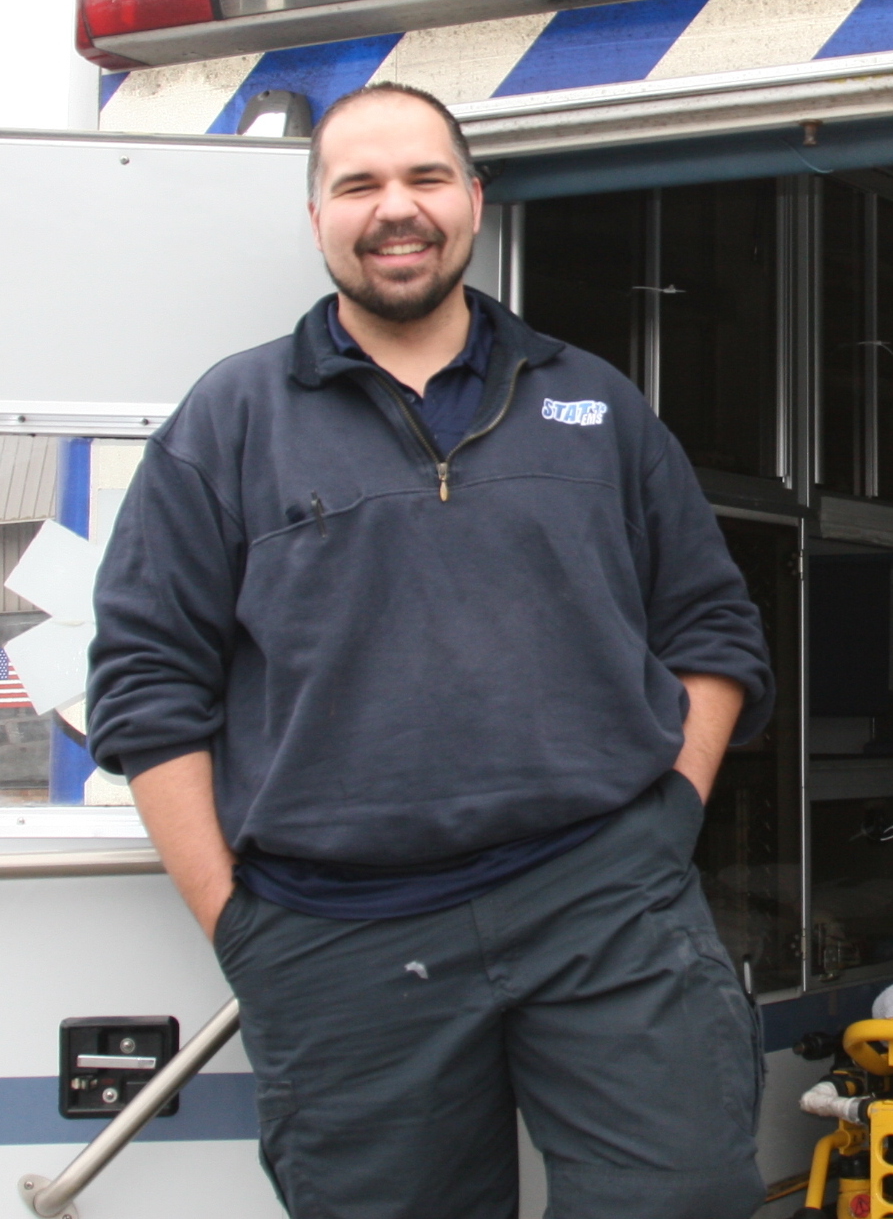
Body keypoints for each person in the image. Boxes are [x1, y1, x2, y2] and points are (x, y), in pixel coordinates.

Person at [86, 82, 773, 1219]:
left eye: (424, 178)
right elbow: (146, 681)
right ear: (317, 217)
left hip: (603, 900)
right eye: (358, 183)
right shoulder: (231, 418)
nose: (393, 208)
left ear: (473, 200)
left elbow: (712, 625)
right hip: (339, 931)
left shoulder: (593, 403)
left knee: (686, 1194)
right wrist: (237, 921)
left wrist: (668, 823)